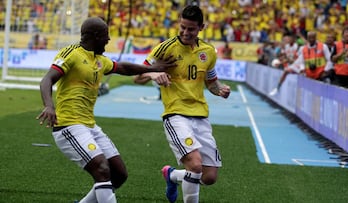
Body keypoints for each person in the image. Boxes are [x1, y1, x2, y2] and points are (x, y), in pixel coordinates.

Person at [36, 17, 176, 203]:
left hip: (90, 126)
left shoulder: (99, 59)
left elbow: (123, 68)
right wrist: (49, 105)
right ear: (95, 36)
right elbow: (47, 80)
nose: (108, 40)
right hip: (68, 126)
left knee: (119, 174)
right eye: (106, 36)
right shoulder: (71, 54)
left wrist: (151, 68)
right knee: (101, 170)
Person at [133, 5, 230, 203]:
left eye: (191, 29)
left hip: (201, 116)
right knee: (195, 166)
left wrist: (220, 90)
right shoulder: (165, 48)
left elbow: (211, 82)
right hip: (176, 114)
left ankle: (172, 175)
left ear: (201, 27)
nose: (185, 32)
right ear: (179, 22)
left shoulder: (208, 52)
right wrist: (153, 73)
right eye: (183, 27)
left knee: (209, 177)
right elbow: (137, 75)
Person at [331, 25, 348, 90]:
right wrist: (341, 53)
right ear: (343, 34)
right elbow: (332, 59)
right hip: (338, 76)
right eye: (346, 32)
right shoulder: (337, 44)